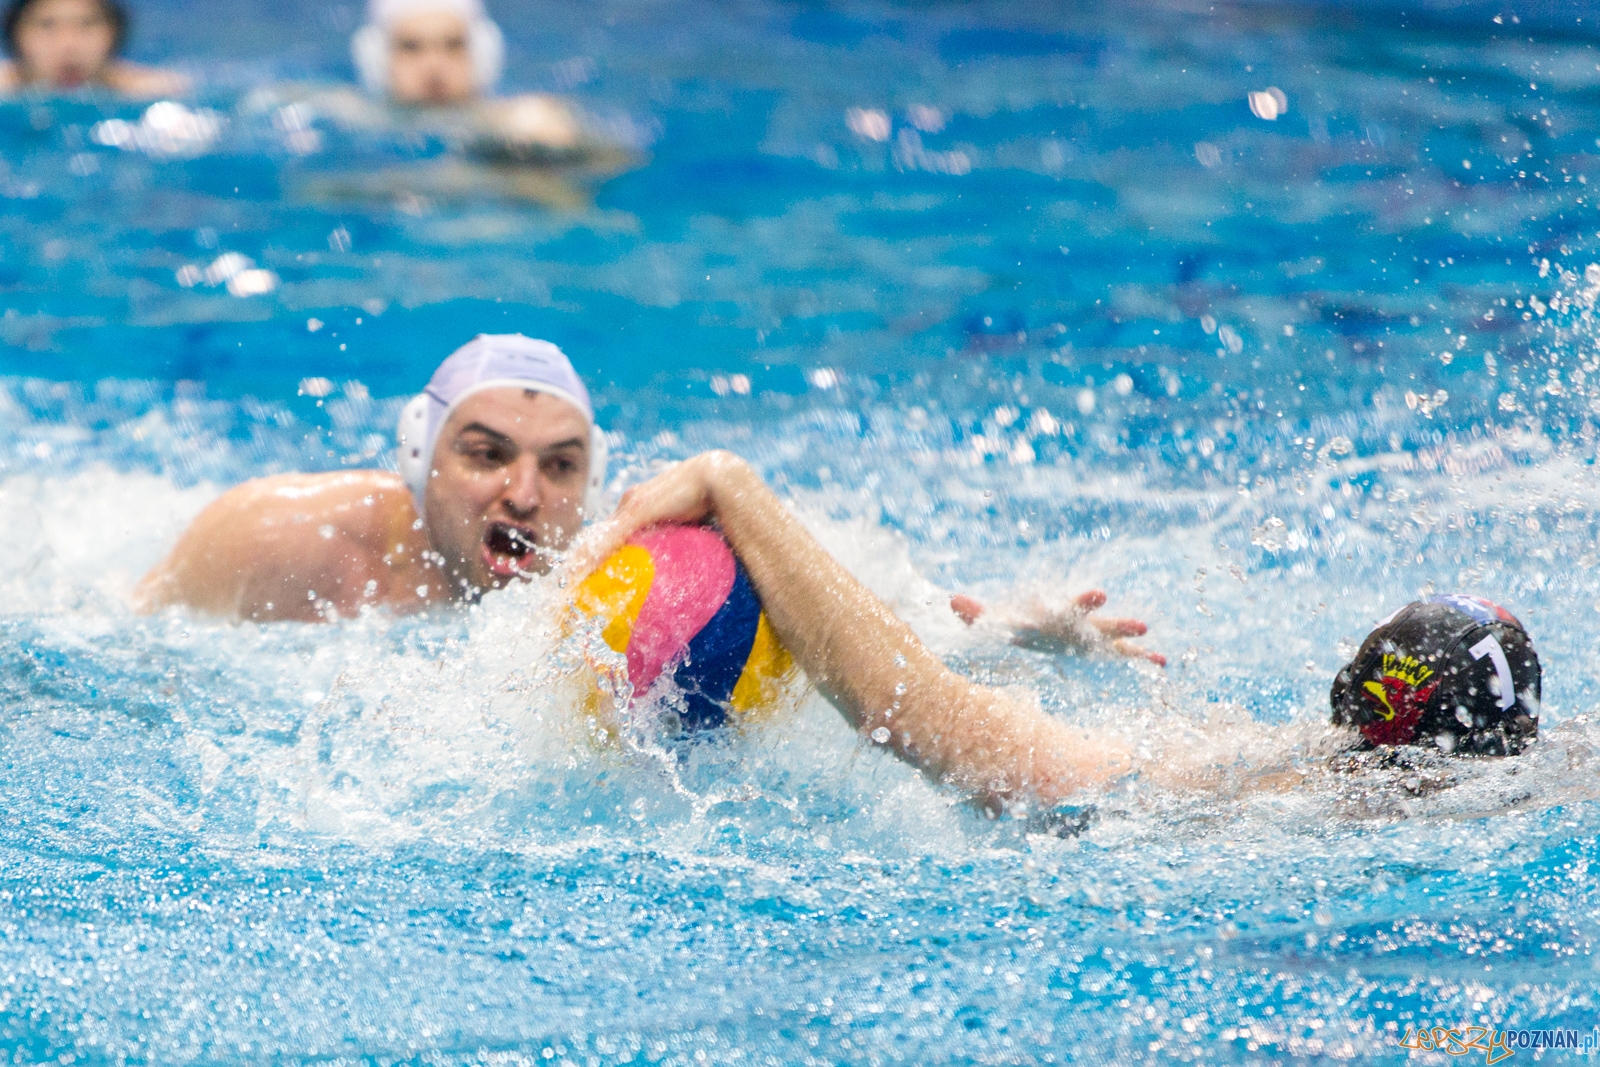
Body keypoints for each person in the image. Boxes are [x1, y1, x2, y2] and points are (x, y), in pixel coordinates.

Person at [136, 334, 1164, 822]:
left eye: (560, 465)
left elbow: (870, 637)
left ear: (597, 478)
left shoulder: (667, 565)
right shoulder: (275, 539)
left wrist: (1004, 633)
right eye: (486, 454)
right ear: (421, 462)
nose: (525, 492)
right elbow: (116, 645)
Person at [0, 0, 186, 97]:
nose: (69, 45)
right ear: (16, 35)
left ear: (114, 33)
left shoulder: (154, 91)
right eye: (47, 25)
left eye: (87, 24)